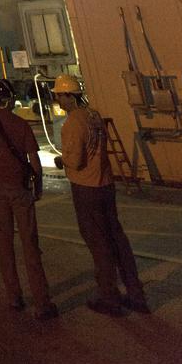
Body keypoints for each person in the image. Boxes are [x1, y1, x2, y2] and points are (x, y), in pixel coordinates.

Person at [53, 74, 149, 316]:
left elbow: (75, 160)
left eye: (59, 95)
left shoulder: (73, 123)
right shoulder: (94, 115)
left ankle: (109, 297)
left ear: (68, 96)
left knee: (99, 244)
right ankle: (136, 294)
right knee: (117, 239)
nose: (57, 99)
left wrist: (60, 159)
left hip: (86, 188)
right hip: (106, 184)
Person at [0, 78, 57, 320]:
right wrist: (37, 187)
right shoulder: (20, 124)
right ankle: (42, 302)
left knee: (4, 243)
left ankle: (13, 296)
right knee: (30, 244)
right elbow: (34, 161)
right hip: (19, 190)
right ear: (10, 99)